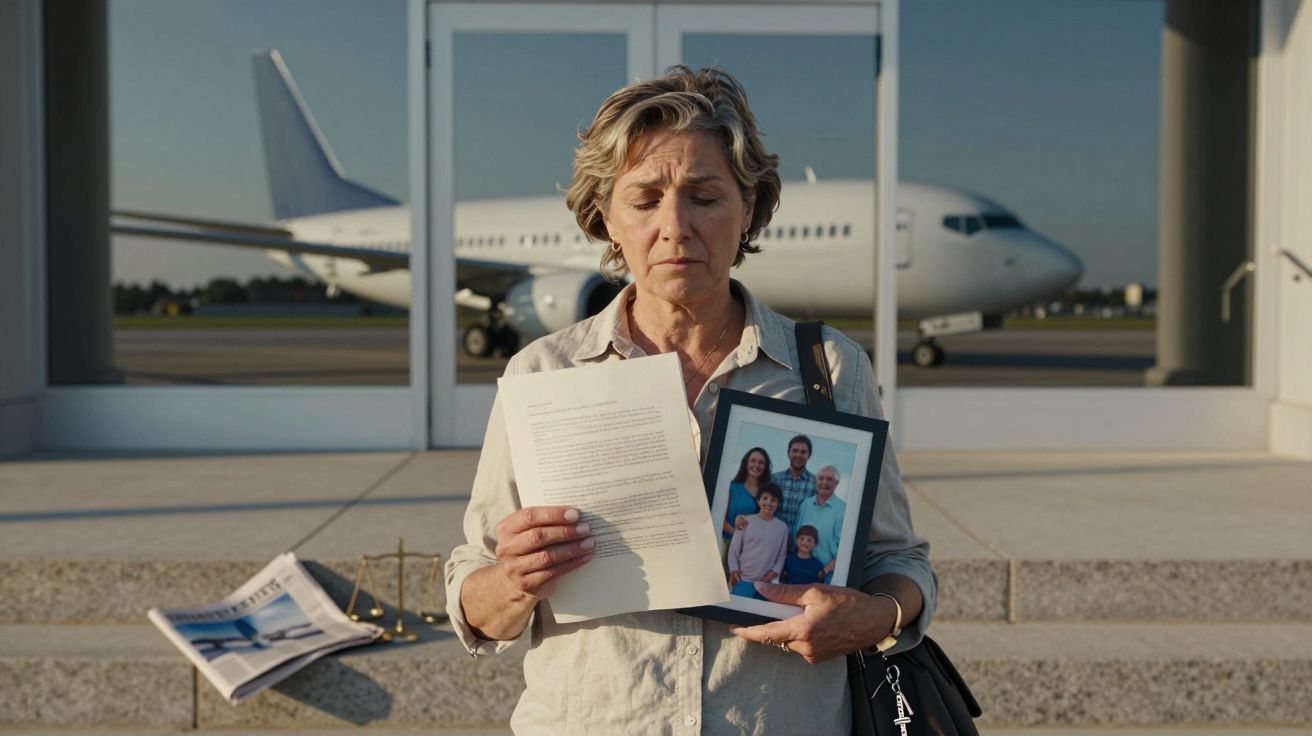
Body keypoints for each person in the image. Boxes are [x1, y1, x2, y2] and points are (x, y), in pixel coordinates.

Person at [445, 65, 936, 734]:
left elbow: (900, 562)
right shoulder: (544, 374)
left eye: (704, 197)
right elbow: (471, 593)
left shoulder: (829, 369)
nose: (675, 227)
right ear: (607, 219)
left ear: (749, 208)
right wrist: (513, 581)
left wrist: (877, 616)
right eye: (645, 200)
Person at [726, 484, 790, 599]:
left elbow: (782, 555)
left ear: (778, 503)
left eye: (773, 500)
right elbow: (734, 549)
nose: (768, 503)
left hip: (765, 583)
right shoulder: (746, 521)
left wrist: (772, 574)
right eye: (765, 498)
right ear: (758, 500)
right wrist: (734, 569)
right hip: (743, 579)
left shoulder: (783, 528)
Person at [796, 465, 847, 583]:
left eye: (829, 479)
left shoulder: (843, 509)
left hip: (825, 576)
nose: (824, 482)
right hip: (800, 572)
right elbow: (797, 535)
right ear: (816, 481)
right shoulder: (806, 504)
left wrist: (823, 572)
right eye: (821, 478)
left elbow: (844, 551)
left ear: (836, 483)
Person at [723, 447, 771, 541]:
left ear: (765, 467)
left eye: (761, 463)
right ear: (746, 463)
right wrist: (738, 535)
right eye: (753, 461)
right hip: (728, 542)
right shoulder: (732, 487)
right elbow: (721, 520)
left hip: (753, 545)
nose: (757, 465)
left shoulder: (767, 494)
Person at [771, 434, 816, 531]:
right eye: (795, 451)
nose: (798, 455)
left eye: (803, 452)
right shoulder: (774, 479)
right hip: (774, 535)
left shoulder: (816, 483)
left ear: (809, 455)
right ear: (788, 453)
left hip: (801, 538)